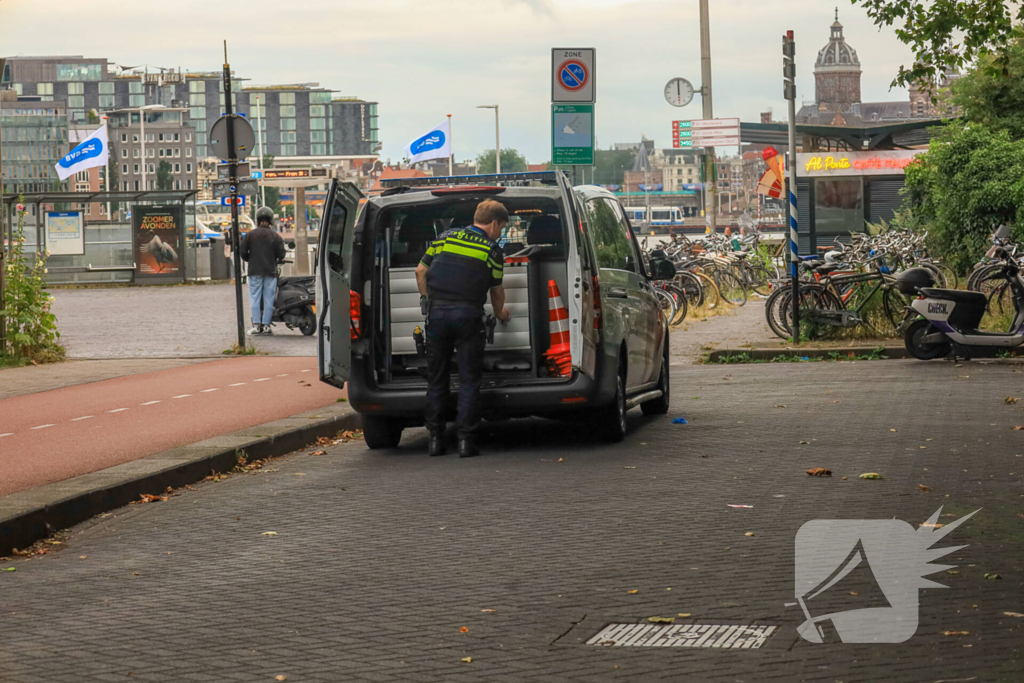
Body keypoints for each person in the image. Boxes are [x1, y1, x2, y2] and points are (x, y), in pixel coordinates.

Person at [415, 199, 511, 458]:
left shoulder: (444, 238)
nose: (500, 234)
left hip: (437, 314)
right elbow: (496, 289)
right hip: (468, 315)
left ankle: (435, 441)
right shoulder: (492, 250)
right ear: (493, 223)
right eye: (501, 228)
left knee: (437, 379)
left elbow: (420, 271)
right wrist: (501, 313)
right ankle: (466, 442)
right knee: (469, 381)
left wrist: (428, 301)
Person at [239, 206, 285, 336]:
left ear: (257, 219)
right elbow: (281, 254)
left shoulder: (249, 235)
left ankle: (256, 325)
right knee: (269, 298)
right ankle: (266, 326)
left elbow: (243, 252)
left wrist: (250, 259)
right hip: (270, 271)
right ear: (270, 220)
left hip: (254, 270)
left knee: (255, 298)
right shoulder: (275, 236)